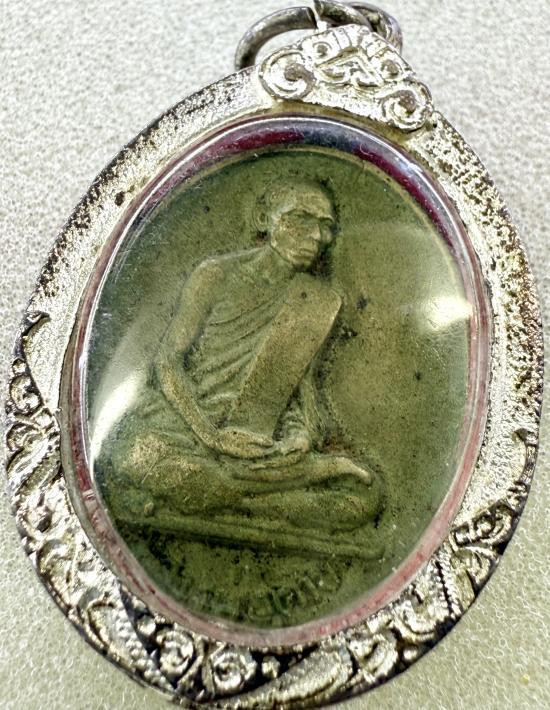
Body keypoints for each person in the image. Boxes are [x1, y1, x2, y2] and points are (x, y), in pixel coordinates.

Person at [103, 178, 384, 558]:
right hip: (184, 430)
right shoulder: (214, 275)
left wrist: (298, 438)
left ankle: (218, 498)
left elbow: (298, 394)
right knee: (135, 454)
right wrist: (213, 438)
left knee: (366, 494)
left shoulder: (319, 302)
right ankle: (256, 501)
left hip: (256, 449)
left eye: (326, 226)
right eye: (301, 219)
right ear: (265, 219)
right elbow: (167, 362)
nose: (317, 236)